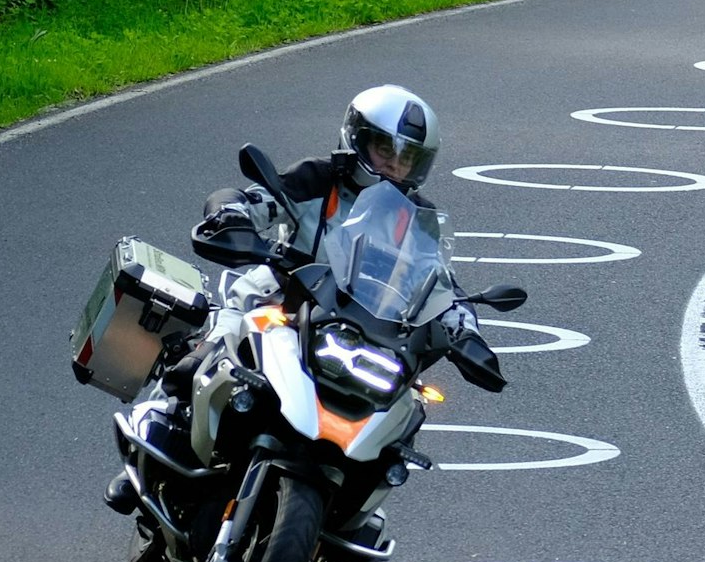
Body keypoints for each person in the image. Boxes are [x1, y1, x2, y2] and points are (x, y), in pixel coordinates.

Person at [105, 85, 480, 514]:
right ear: (356, 138)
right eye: (384, 149)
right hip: (284, 299)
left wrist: (464, 328)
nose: (394, 165)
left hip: (361, 325)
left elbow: (443, 283)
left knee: (403, 406)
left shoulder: (418, 220)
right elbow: (258, 198)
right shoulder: (318, 178)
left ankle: (353, 507)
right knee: (209, 351)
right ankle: (156, 438)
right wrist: (231, 212)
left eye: (407, 157)